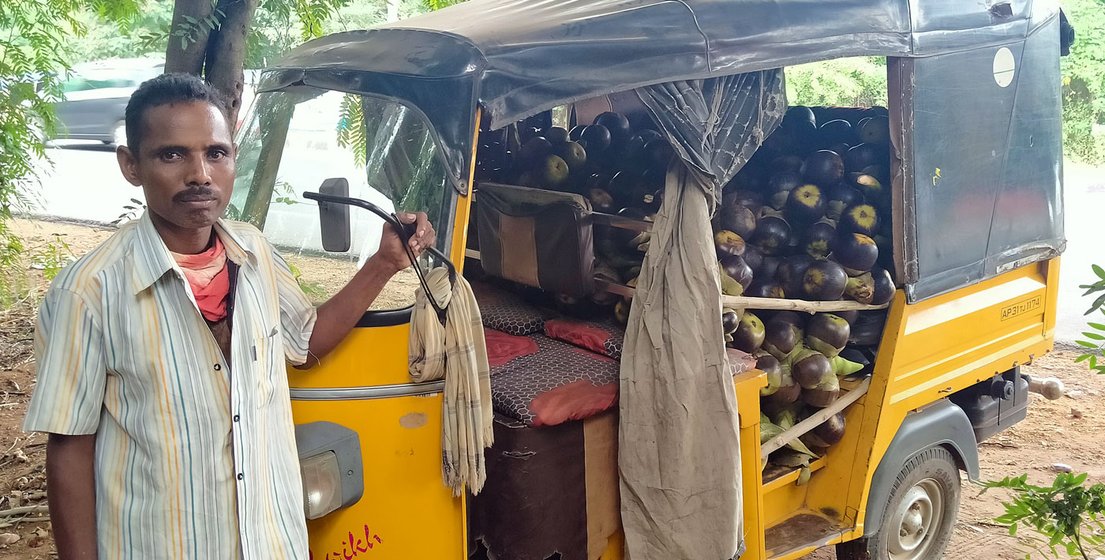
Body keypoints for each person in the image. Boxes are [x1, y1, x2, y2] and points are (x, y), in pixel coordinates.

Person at [23, 73, 435, 559]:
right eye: (172, 154)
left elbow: (303, 342)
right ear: (131, 165)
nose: (200, 173)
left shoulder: (254, 252)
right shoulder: (88, 291)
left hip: (269, 542)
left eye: (215, 153)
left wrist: (384, 264)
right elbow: (70, 448)